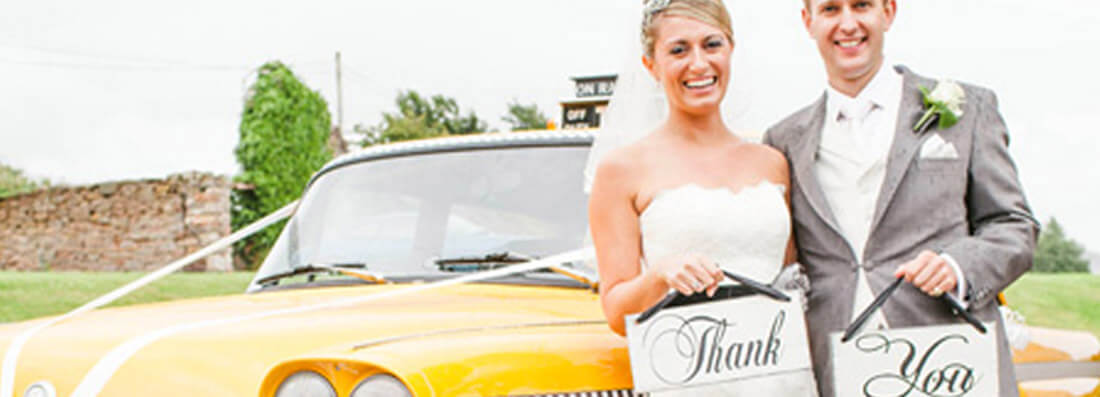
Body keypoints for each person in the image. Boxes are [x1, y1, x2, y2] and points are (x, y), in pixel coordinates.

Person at [763, 1, 1039, 396]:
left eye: (861, 5)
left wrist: (957, 267)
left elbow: (1015, 226)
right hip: (838, 368)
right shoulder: (784, 140)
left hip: (947, 365)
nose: (847, 23)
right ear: (808, 22)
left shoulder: (968, 110)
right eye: (829, 9)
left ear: (888, 11)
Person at [587, 0, 816, 394]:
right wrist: (660, 275)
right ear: (650, 65)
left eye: (712, 45)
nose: (698, 64)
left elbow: (793, 278)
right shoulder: (621, 170)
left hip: (781, 378)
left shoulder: (772, 163)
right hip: (687, 376)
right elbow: (615, 310)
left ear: (730, 49)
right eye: (679, 50)